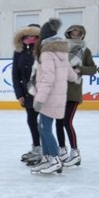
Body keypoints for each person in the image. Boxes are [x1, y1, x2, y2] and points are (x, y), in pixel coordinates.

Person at [29, 19, 77, 175]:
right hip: (59, 97)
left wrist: (39, 99)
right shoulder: (62, 52)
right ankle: (48, 157)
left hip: (49, 97)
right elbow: (71, 76)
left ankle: (55, 159)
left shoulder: (48, 53)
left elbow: (47, 79)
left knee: (45, 128)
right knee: (42, 126)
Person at [57, 24, 97, 168]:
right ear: (68, 34)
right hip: (59, 90)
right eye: (73, 34)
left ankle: (75, 153)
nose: (75, 36)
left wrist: (80, 69)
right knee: (58, 123)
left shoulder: (85, 51)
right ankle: (62, 150)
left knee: (67, 122)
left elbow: (93, 69)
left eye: (78, 34)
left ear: (82, 35)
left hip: (73, 91)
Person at [12, 24, 42, 165]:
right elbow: (15, 74)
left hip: (43, 92)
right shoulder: (19, 51)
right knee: (31, 120)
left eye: (34, 35)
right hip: (27, 93)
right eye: (28, 35)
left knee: (44, 123)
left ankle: (48, 150)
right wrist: (19, 94)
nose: (31, 38)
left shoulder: (43, 50)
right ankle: (36, 147)